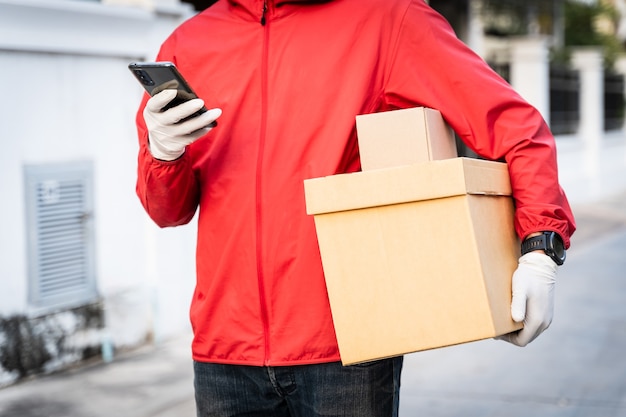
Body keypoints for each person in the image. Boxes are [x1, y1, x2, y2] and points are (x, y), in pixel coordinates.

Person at [133, 0, 576, 415]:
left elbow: (516, 127)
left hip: (347, 349)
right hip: (223, 352)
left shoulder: (387, 18)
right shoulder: (189, 43)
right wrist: (163, 151)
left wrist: (540, 247)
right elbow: (168, 212)